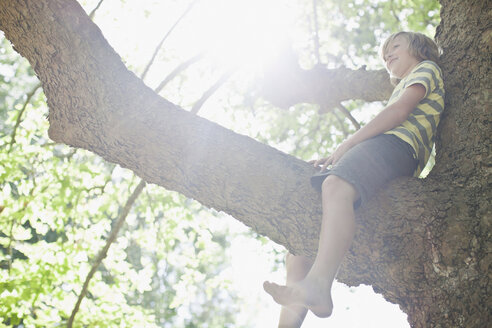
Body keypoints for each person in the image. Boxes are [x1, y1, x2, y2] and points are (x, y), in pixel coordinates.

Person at [263, 31, 445, 327]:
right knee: (300, 242)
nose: (388, 56)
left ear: (419, 49)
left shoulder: (426, 68)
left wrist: (347, 145)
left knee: (335, 186)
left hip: (400, 146)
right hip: (382, 149)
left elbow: (399, 113)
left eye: (395, 47)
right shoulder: (404, 82)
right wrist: (335, 158)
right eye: (385, 54)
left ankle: (320, 285)